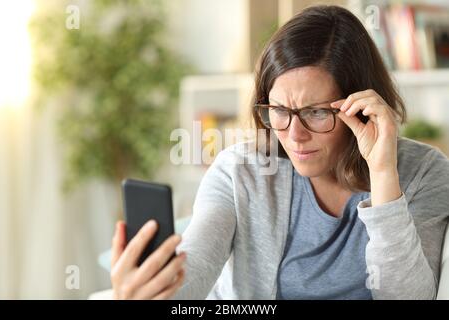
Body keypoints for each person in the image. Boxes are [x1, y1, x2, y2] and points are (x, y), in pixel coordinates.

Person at [110, 5, 449, 299]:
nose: (294, 134)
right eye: (279, 111)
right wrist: (149, 291)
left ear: (360, 108)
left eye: (317, 112)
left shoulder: (424, 172)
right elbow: (195, 268)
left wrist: (383, 174)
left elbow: (408, 296)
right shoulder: (238, 172)